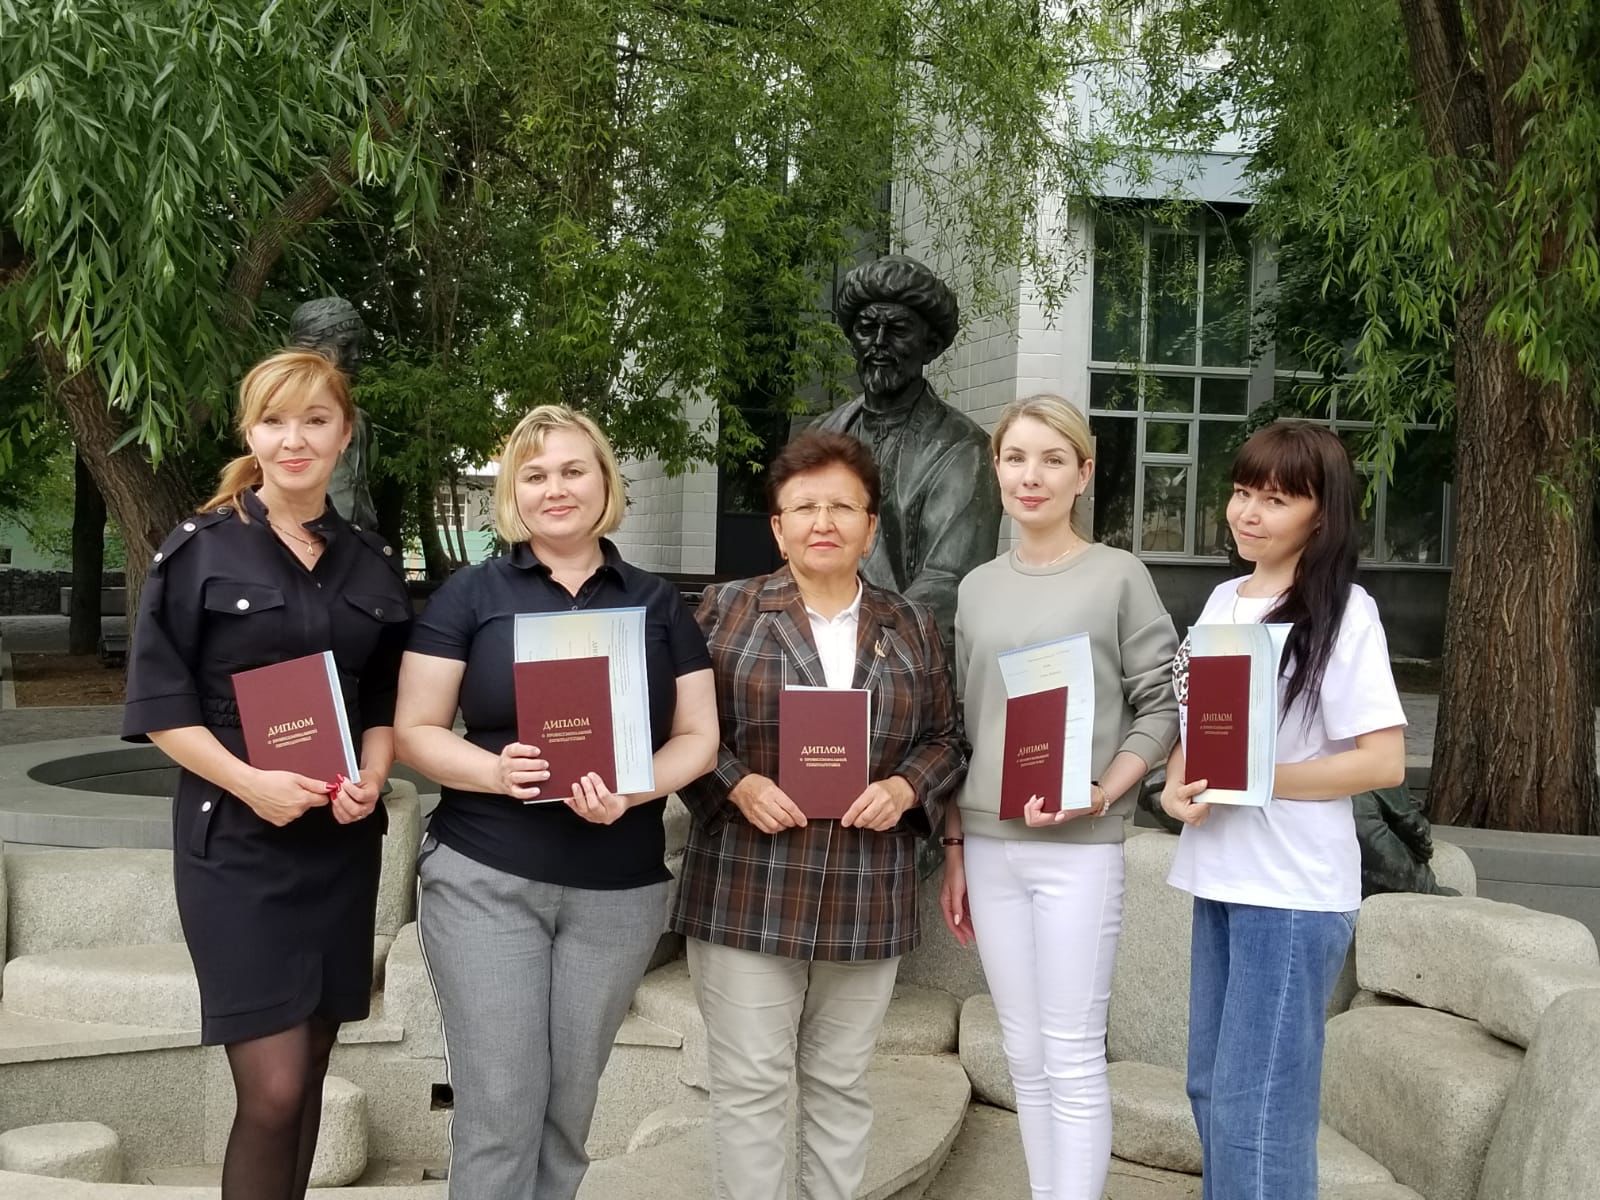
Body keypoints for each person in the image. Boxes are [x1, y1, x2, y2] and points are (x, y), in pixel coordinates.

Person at [393, 404, 718, 1199]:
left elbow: (699, 738)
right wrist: (494, 770)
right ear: (514, 492)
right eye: (534, 475)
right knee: (500, 1108)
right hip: (487, 876)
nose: (556, 488)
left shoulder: (657, 602)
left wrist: (635, 788)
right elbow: (415, 731)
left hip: (617, 889)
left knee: (569, 1111)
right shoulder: (470, 595)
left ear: (605, 481)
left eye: (574, 470)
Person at [122, 349, 411, 1200]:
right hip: (237, 849)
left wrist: (374, 774)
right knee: (275, 1087)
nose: (295, 439)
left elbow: (385, 699)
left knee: (313, 1063)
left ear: (344, 434)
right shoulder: (200, 550)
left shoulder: (371, 559)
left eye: (315, 420)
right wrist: (251, 783)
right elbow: (159, 705)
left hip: (338, 846)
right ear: (250, 433)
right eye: (274, 421)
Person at [672, 430, 966, 1200]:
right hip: (748, 879)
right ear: (778, 527)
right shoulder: (724, 611)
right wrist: (736, 784)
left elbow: (946, 738)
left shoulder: (911, 624)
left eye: (843, 506)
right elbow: (678, 727)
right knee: (751, 1087)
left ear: (872, 527)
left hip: (867, 886)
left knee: (840, 1083)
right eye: (804, 507)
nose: (823, 522)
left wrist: (906, 788)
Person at [939, 394, 1180, 1200]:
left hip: (1079, 848)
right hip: (990, 844)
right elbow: (961, 725)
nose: (1031, 476)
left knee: (1072, 1054)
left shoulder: (1119, 576)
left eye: (1051, 459)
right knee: (1024, 1054)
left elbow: (1162, 707)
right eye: (1015, 458)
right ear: (996, 469)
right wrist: (955, 847)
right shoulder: (976, 588)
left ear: (1083, 473)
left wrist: (1102, 791)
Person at [1161, 421, 1407, 1200]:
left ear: (1320, 515)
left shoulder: (1345, 611)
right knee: (1211, 1091)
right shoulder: (1222, 600)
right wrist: (1176, 783)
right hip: (1222, 875)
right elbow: (1200, 728)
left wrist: (1258, 778)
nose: (1248, 512)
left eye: (1275, 499)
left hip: (1292, 892)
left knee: (1256, 1110)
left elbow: (1383, 761)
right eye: (1242, 492)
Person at [814, 254, 1002, 650]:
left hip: (904, 661)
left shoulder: (965, 449)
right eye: (867, 328)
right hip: (815, 648)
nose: (879, 343)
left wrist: (861, 644)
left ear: (929, 346)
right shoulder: (819, 436)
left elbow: (947, 582)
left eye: (897, 330)